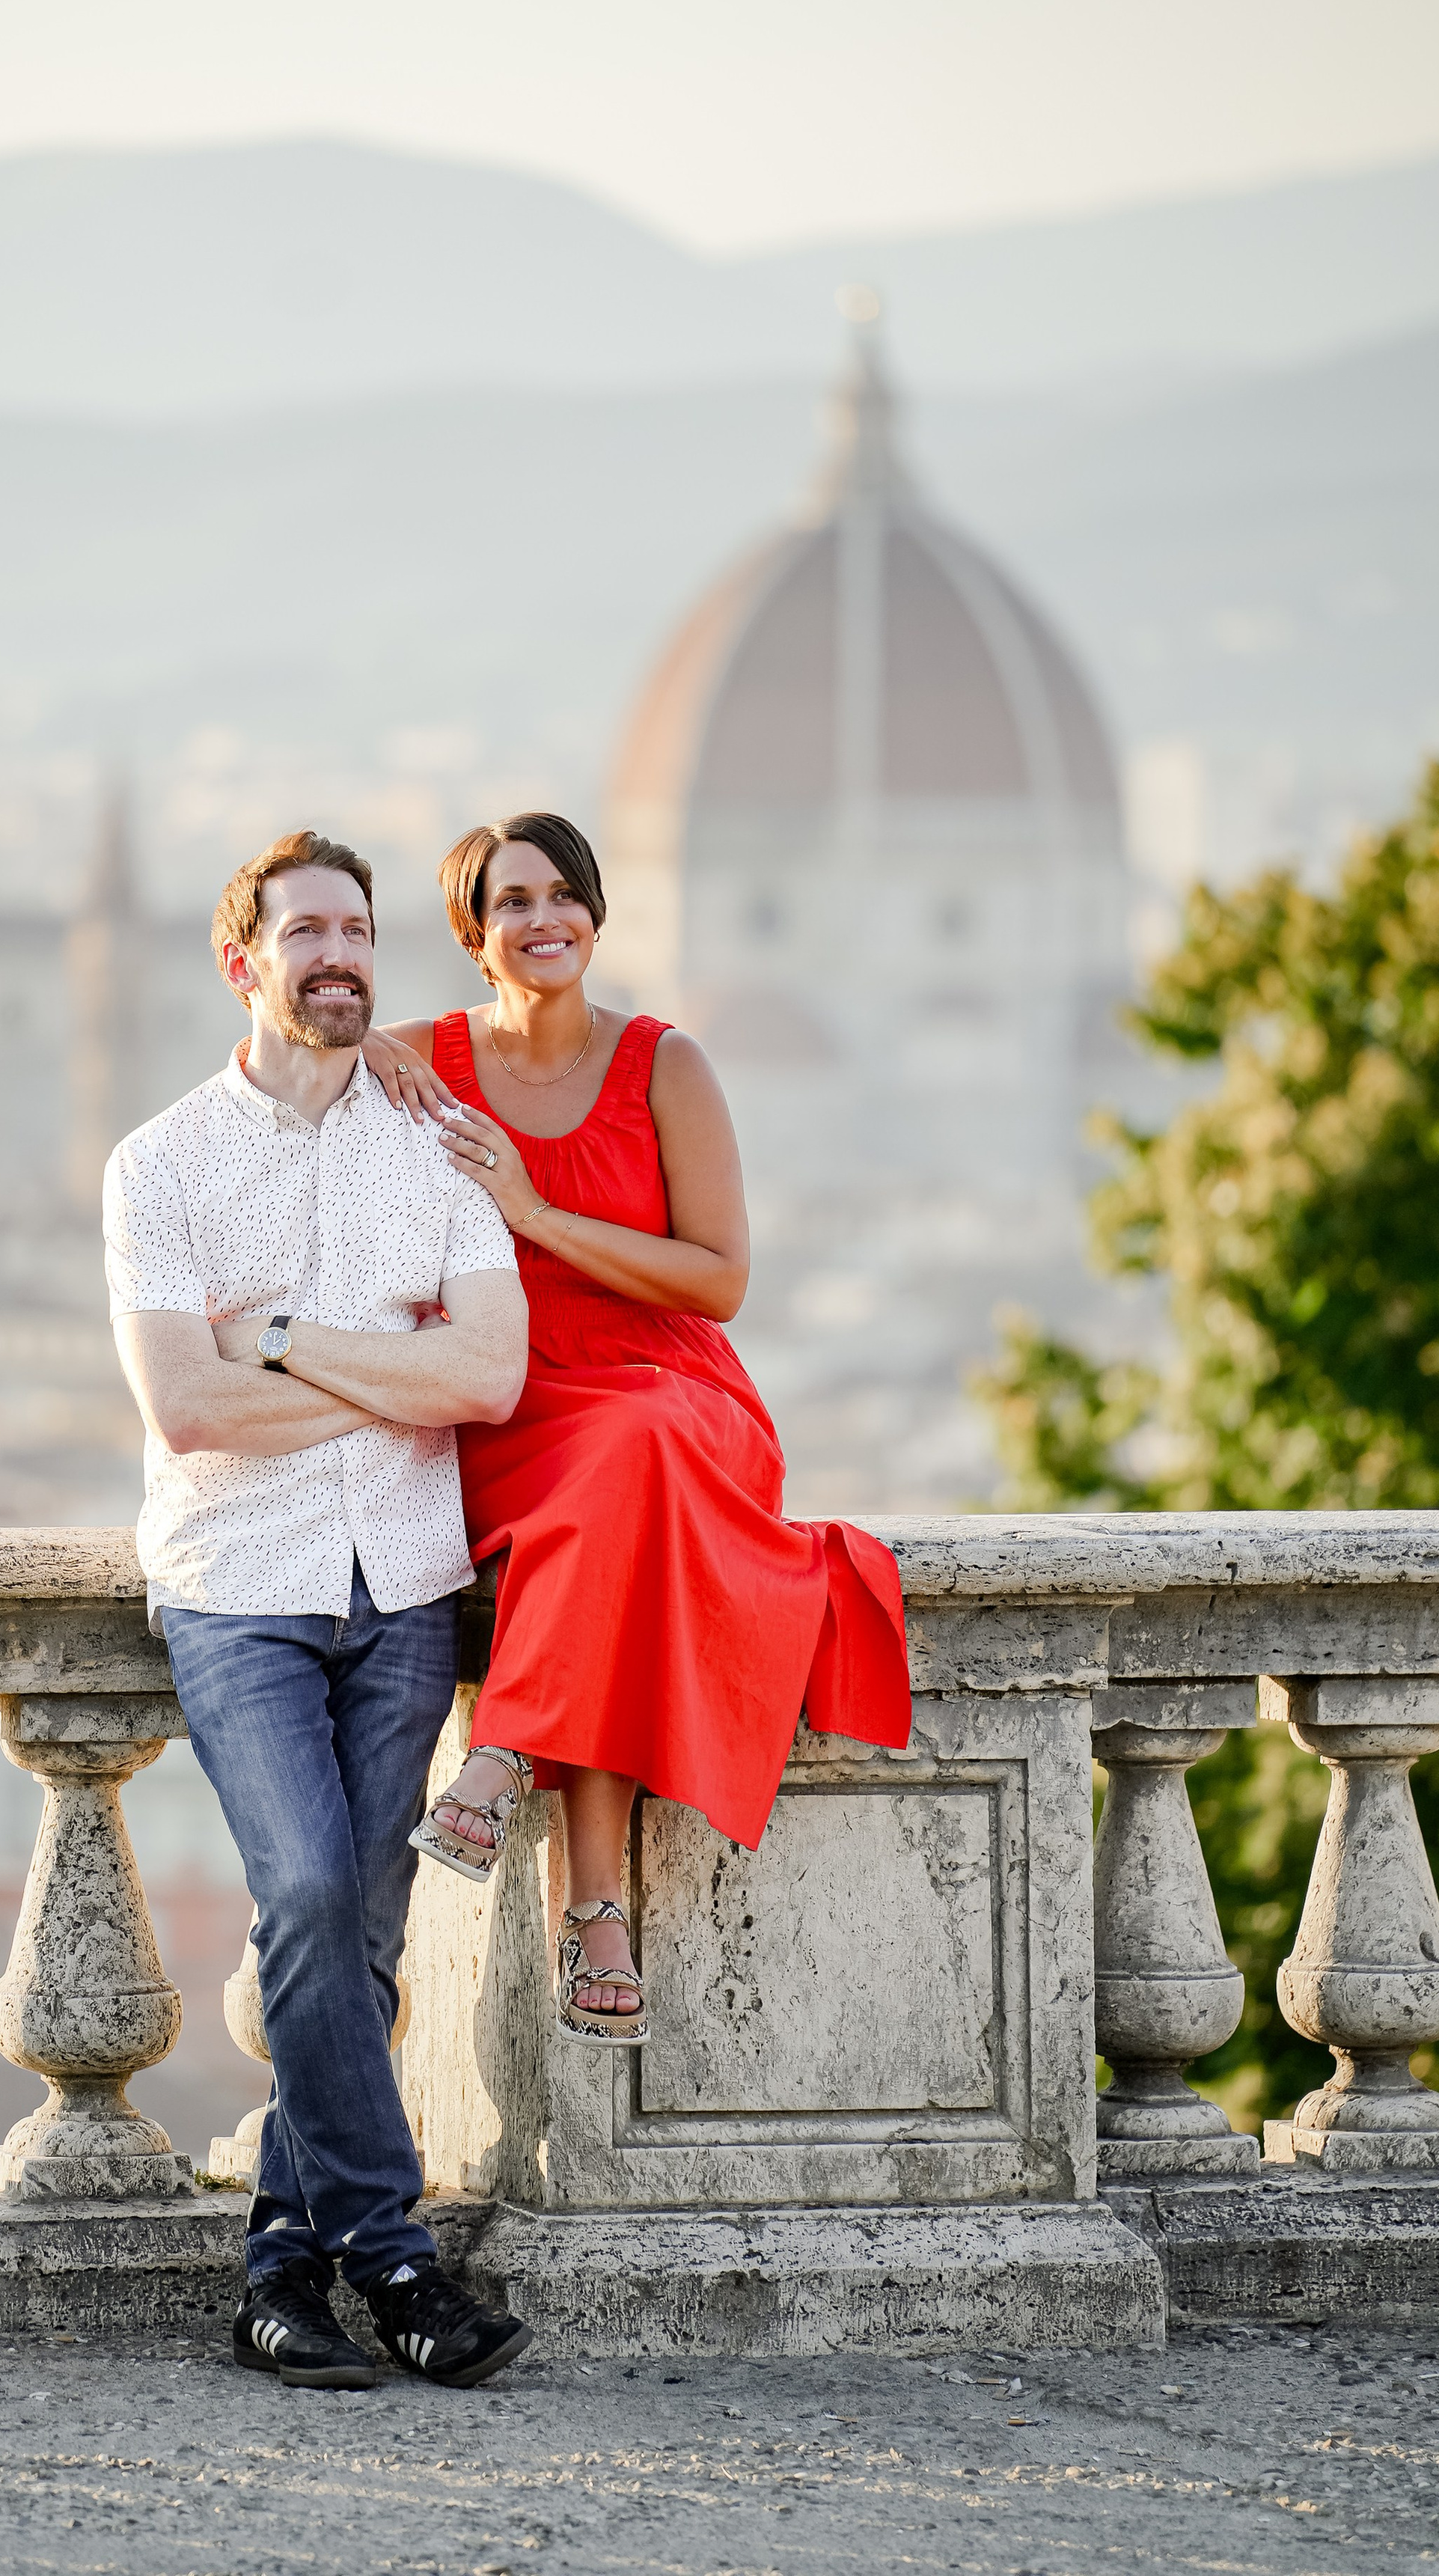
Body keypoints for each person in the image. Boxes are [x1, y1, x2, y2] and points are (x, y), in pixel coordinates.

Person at [361, 812, 910, 2045]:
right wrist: (367, 1052)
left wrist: (532, 1210)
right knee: (602, 1525)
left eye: (566, 896)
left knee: (630, 1453)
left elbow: (719, 1280)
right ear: (473, 933)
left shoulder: (669, 1066)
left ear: (597, 918)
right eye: (513, 902)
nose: (544, 919)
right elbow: (284, 1040)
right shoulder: (422, 1062)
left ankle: (516, 1773)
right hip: (512, 1400)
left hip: (676, 1391)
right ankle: (591, 1909)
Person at [104, 827, 533, 2393]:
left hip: (405, 1588)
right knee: (299, 1901)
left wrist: (278, 1340)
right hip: (241, 1594)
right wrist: (376, 1371)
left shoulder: (435, 1149)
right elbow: (188, 1413)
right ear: (245, 963)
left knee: (359, 1936)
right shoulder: (158, 1166)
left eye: (359, 928)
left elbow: (485, 1378)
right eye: (307, 931)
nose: (341, 953)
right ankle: (397, 2258)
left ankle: (280, 2273)